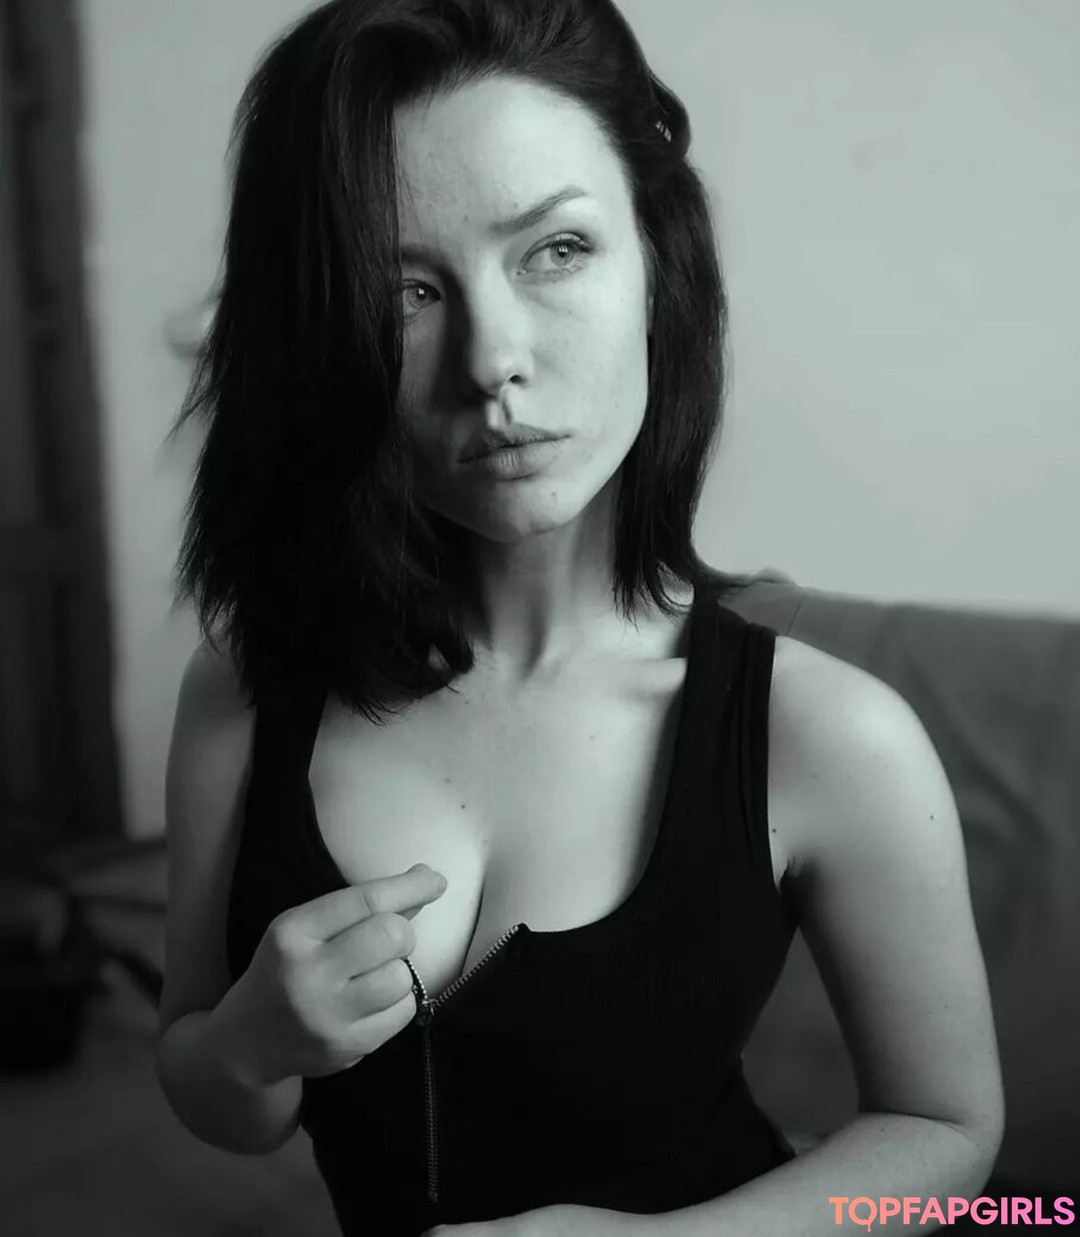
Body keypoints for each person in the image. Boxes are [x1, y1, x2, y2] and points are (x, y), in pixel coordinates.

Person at [156, 1, 1004, 1234]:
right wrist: (250, 1039)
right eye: (405, 289)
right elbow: (215, 1091)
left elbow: (947, 1131)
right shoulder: (244, 686)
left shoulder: (830, 736)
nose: (491, 359)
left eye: (554, 250)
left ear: (658, 261)